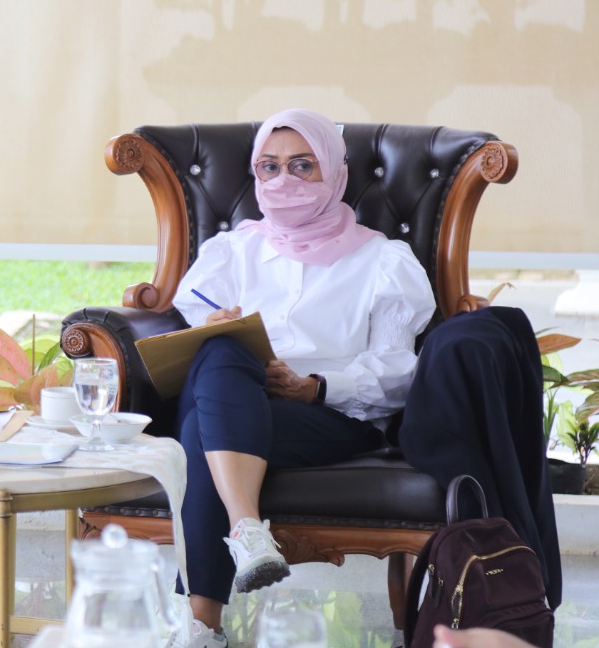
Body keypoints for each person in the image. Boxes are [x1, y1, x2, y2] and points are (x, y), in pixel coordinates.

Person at [168, 109, 436, 648]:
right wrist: (212, 324)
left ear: (335, 172)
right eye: (269, 167)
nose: (283, 179)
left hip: (328, 416)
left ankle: (202, 625)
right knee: (223, 346)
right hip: (236, 398)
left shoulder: (383, 260)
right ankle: (247, 530)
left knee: (201, 431)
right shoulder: (232, 252)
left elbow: (399, 372)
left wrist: (315, 386)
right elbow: (193, 321)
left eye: (302, 165)